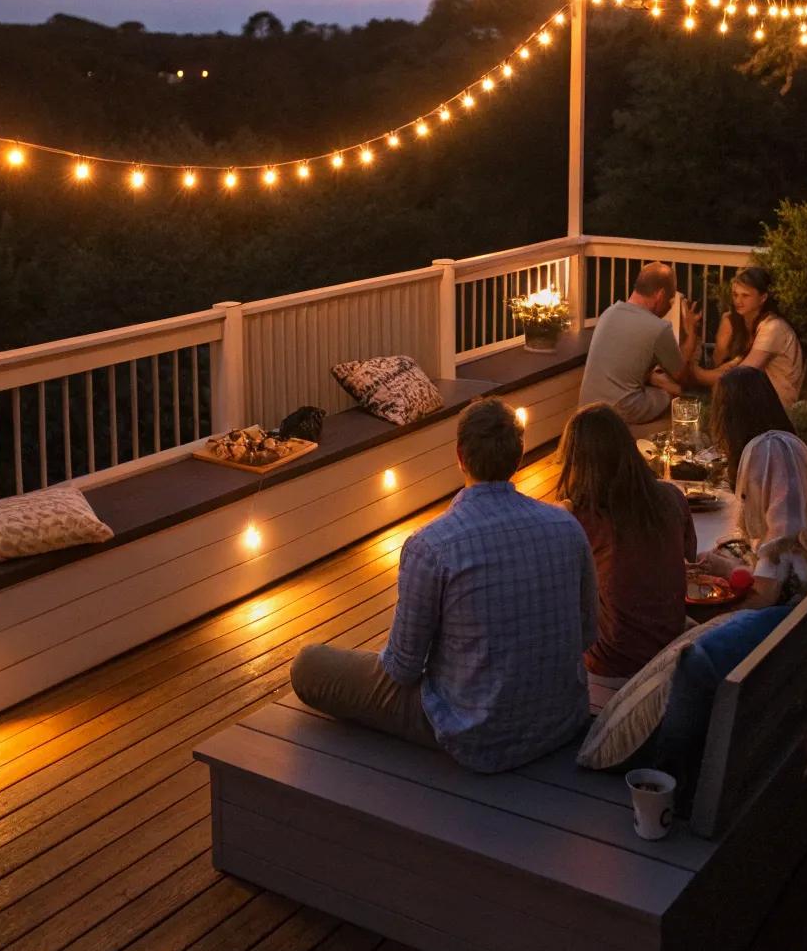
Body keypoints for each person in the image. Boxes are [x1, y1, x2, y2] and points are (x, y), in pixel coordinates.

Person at [291, 397, 598, 773]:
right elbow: (586, 635)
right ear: (518, 456)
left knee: (309, 665)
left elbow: (402, 670)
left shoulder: (432, 545)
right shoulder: (566, 527)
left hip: (476, 734)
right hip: (561, 721)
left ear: (460, 456)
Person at [557, 402, 695, 679]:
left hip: (610, 662)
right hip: (667, 642)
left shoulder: (579, 519)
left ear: (574, 461)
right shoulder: (671, 497)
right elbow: (690, 555)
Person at [706, 366, 807, 605]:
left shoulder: (771, 448)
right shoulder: (774, 443)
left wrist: (738, 574)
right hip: (788, 575)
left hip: (790, 586)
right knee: (706, 557)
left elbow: (783, 534)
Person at [579, 262, 701, 426]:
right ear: (660, 295)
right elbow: (681, 375)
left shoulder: (609, 312)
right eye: (670, 300)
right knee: (674, 394)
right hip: (621, 410)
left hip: (587, 406)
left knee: (655, 379)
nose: (670, 305)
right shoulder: (658, 328)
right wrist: (691, 332)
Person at [689, 265, 804, 410]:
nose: (738, 301)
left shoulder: (773, 328)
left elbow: (742, 373)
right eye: (735, 295)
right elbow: (730, 365)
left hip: (777, 408)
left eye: (745, 295)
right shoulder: (750, 325)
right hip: (758, 399)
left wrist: (696, 373)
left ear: (763, 298)